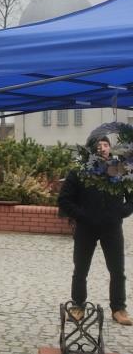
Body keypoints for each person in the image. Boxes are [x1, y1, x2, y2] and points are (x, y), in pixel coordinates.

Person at [57, 126, 133, 325]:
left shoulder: (118, 169)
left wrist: (121, 213)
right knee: (81, 269)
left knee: (117, 270)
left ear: (110, 148)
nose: (102, 148)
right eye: (98, 145)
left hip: (112, 227)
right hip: (86, 228)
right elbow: (64, 200)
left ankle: (119, 308)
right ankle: (77, 305)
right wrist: (82, 216)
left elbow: (131, 198)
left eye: (106, 144)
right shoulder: (80, 172)